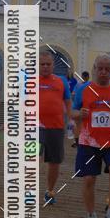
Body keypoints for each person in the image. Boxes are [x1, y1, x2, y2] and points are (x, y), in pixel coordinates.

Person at [72, 54, 110, 218]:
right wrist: (80, 114)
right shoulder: (83, 90)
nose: (103, 72)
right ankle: (91, 215)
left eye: (107, 69)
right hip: (89, 141)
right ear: (94, 69)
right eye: (100, 68)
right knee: (88, 179)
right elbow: (71, 113)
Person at [39, 50, 72, 205]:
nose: (45, 67)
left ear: (53, 65)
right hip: (34, 128)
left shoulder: (62, 82)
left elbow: (68, 104)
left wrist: (71, 121)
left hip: (56, 128)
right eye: (42, 64)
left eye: (48, 64)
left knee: (54, 162)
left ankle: (50, 191)